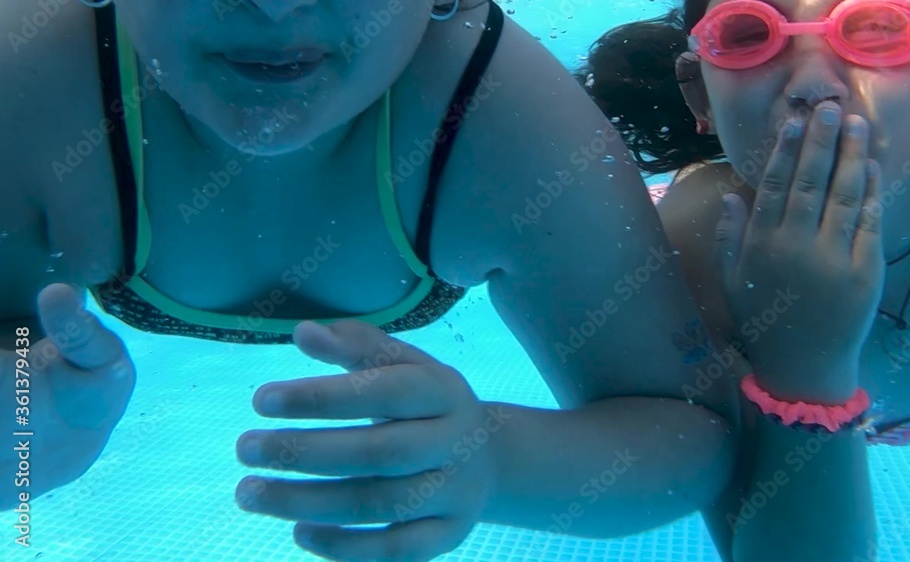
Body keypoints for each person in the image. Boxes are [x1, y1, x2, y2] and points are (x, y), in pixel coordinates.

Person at [0, 1, 741, 560]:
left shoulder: (504, 123)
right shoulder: (28, 86)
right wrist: (24, 435)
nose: (275, 7)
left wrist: (498, 458)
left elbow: (692, 436)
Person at [580, 0, 910, 560]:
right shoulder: (668, 266)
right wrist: (807, 366)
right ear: (700, 95)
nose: (811, 84)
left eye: (876, 26)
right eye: (749, 31)